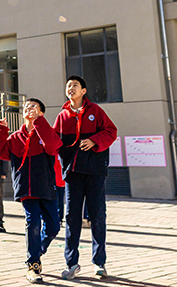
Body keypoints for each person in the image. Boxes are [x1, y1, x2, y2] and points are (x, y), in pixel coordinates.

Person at [54, 75, 118, 280]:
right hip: (72, 174)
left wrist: (93, 141)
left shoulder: (96, 111)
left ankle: (99, 263)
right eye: (68, 86)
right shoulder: (62, 116)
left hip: (95, 172)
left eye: (75, 85)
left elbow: (111, 131)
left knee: (98, 216)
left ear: (84, 91)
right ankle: (71, 263)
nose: (71, 88)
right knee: (72, 218)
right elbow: (53, 141)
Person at [0, 99, 62, 284]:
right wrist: (0, 131)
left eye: (33, 106)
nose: (28, 109)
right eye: (26, 107)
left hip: (47, 187)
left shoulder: (46, 132)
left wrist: (39, 123)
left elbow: (54, 147)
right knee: (32, 223)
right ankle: (34, 265)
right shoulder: (15, 137)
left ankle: (37, 251)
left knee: (54, 226)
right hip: (26, 189)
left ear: (42, 113)